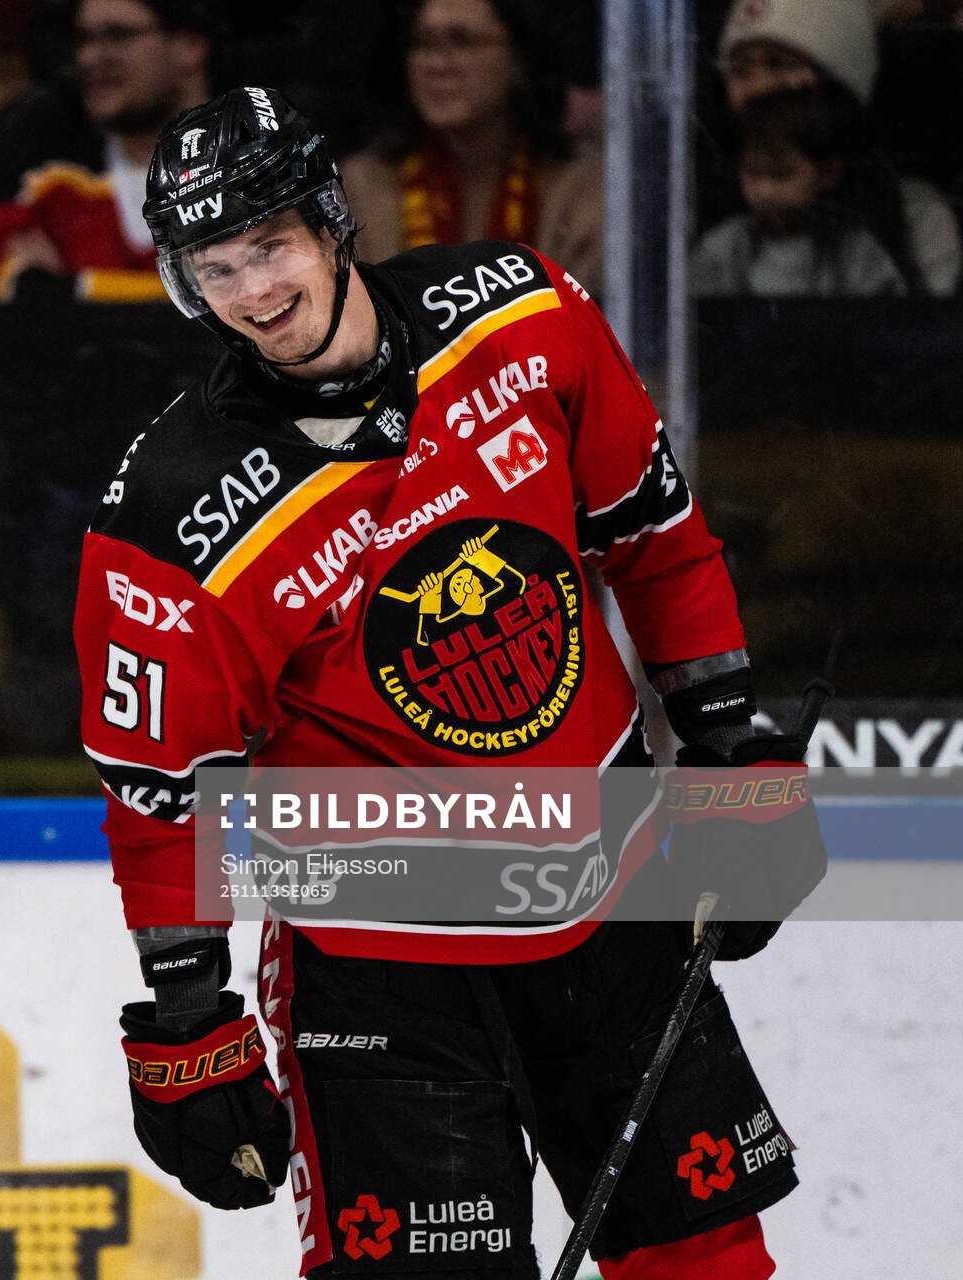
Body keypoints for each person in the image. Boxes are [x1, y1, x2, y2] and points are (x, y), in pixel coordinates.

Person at [74, 87, 826, 1279]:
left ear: (330, 221)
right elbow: (164, 792)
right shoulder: (172, 514)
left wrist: (729, 741)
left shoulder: (520, 317)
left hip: (615, 901)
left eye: (267, 246)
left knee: (710, 1264)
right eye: (213, 269)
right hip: (380, 962)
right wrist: (187, 1011)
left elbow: (654, 536)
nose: (254, 297)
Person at [336, 0, 605, 296]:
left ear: (519, 58)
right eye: (422, 43)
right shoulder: (363, 185)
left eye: (462, 41)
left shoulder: (581, 185)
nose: (436, 64)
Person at [0, 0, 213, 302]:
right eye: (84, 40)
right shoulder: (50, 180)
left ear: (191, 46)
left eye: (119, 35)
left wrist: (73, 288)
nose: (92, 57)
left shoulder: (255, 166)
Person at [712, 0, 959, 293]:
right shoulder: (715, 229)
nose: (757, 88)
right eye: (739, 70)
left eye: (780, 64)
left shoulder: (918, 222)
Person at [694, 85, 918, 295]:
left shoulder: (854, 250)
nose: (764, 191)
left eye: (781, 175)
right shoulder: (725, 247)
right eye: (753, 174)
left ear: (826, 175)